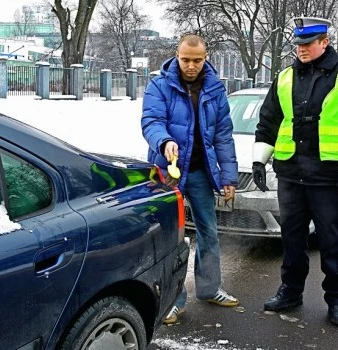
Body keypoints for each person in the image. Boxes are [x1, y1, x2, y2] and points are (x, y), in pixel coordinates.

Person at [251, 17, 338, 327]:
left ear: (324, 42)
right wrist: (259, 159)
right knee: (292, 240)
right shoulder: (284, 77)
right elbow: (268, 121)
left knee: (330, 242)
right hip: (291, 175)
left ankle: (337, 300)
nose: (301, 50)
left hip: (329, 178)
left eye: (307, 44)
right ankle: (291, 291)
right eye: (298, 45)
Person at [141, 34, 240, 325]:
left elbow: (223, 135)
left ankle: (210, 289)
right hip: (167, 174)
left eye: (197, 60)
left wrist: (229, 177)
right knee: (172, 237)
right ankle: (173, 300)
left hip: (200, 174)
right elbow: (151, 121)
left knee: (208, 232)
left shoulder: (215, 89)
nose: (192, 66)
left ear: (206, 57)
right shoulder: (160, 85)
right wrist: (164, 142)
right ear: (177, 55)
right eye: (186, 59)